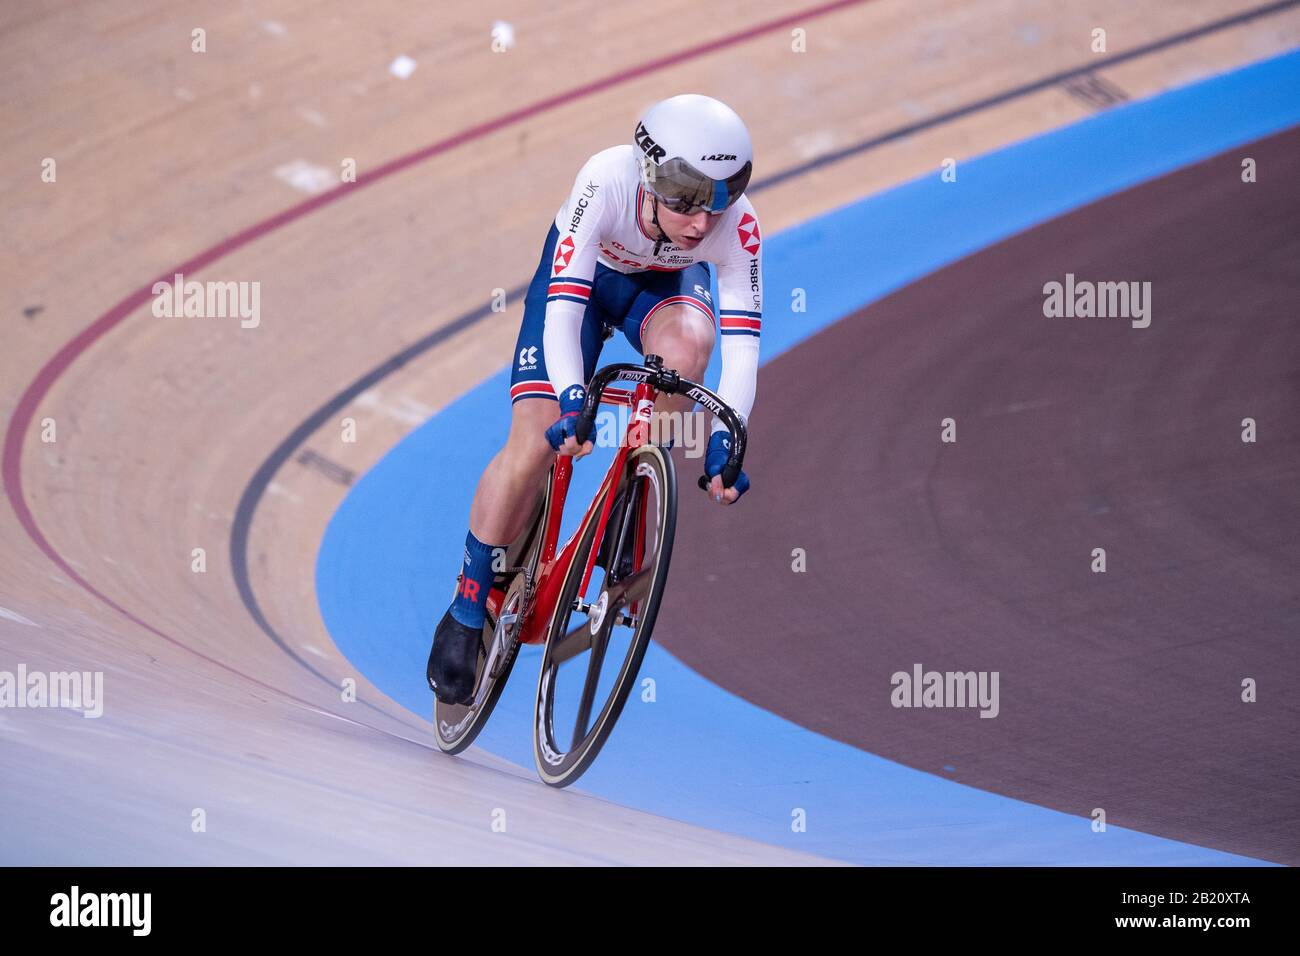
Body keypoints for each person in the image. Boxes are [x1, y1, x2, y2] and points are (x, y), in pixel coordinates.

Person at [427, 93, 764, 705]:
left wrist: (726, 433)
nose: (701, 224)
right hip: (582, 289)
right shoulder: (604, 182)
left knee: (692, 344)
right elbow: (562, 310)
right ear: (649, 175)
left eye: (720, 202)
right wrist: (575, 396)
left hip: (658, 295)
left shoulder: (734, 226)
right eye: (688, 202)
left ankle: (634, 481)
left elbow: (741, 347)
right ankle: (470, 598)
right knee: (534, 439)